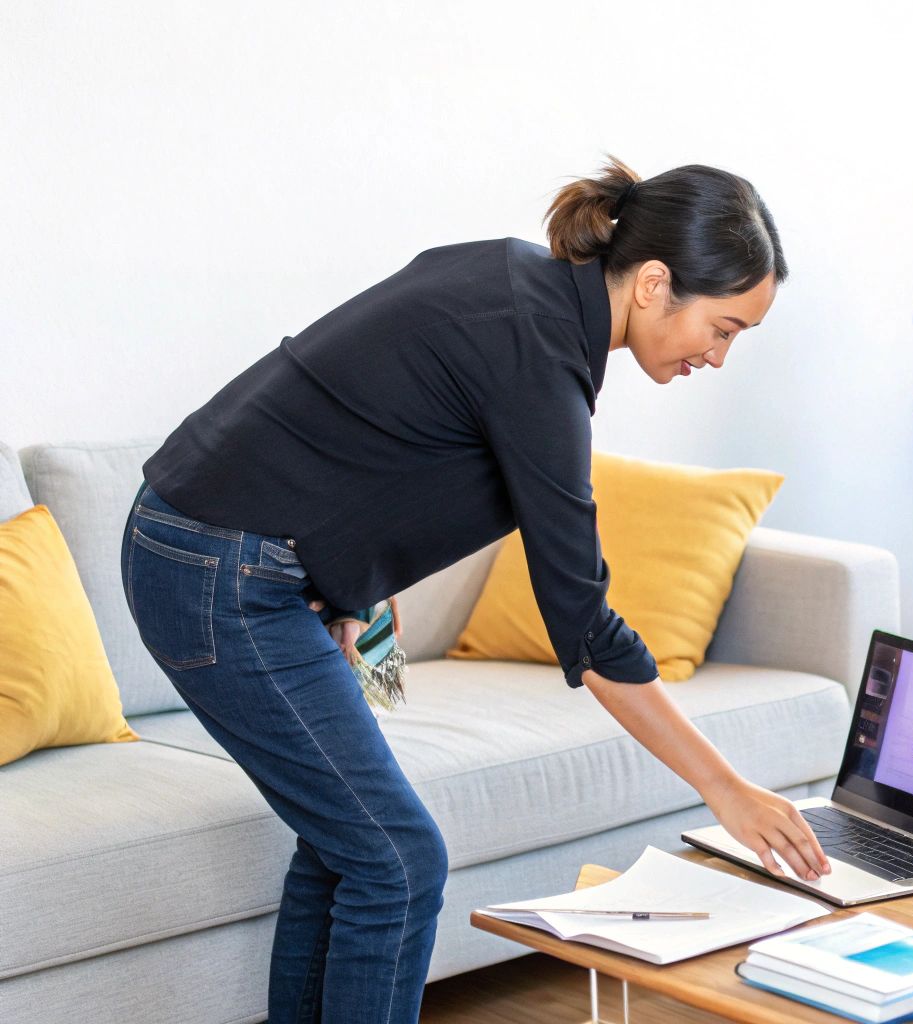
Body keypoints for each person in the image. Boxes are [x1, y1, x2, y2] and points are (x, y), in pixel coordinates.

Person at [118, 154, 830, 1024]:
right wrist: (727, 789)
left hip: (231, 554)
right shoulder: (539, 357)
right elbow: (584, 623)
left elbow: (364, 423)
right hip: (216, 568)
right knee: (398, 862)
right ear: (653, 284)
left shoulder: (514, 284)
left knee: (348, 850)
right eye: (723, 328)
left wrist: (343, 588)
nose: (718, 357)